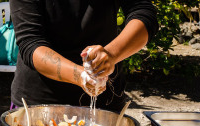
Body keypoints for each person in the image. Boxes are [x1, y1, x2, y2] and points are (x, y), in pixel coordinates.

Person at [9, 0, 158, 112]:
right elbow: (30, 42)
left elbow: (144, 13)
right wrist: (80, 76)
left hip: (104, 103)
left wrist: (111, 54)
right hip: (39, 105)